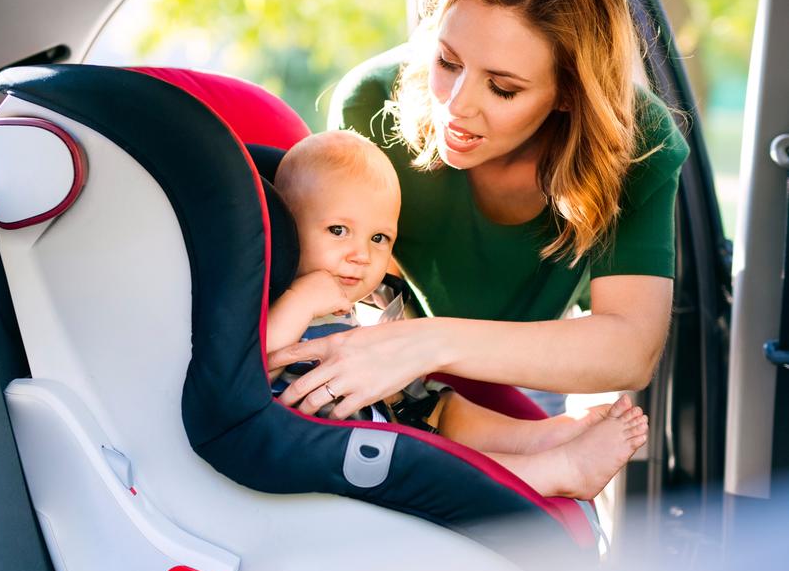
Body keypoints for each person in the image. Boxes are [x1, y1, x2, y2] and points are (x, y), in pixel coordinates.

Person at [269, 0, 689, 430]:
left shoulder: (637, 142)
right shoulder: (371, 105)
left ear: (568, 93)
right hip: (394, 345)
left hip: (537, 359)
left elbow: (629, 348)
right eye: (448, 61)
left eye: (504, 89)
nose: (455, 105)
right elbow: (341, 278)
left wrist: (425, 345)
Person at [268, 129, 649, 500]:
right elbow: (246, 370)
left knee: (440, 404)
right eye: (338, 230)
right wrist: (301, 300)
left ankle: (540, 437)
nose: (361, 255)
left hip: (385, 418)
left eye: (378, 238)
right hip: (346, 451)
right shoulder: (274, 295)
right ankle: (558, 470)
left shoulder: (359, 300)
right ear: (286, 226)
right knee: (426, 459)